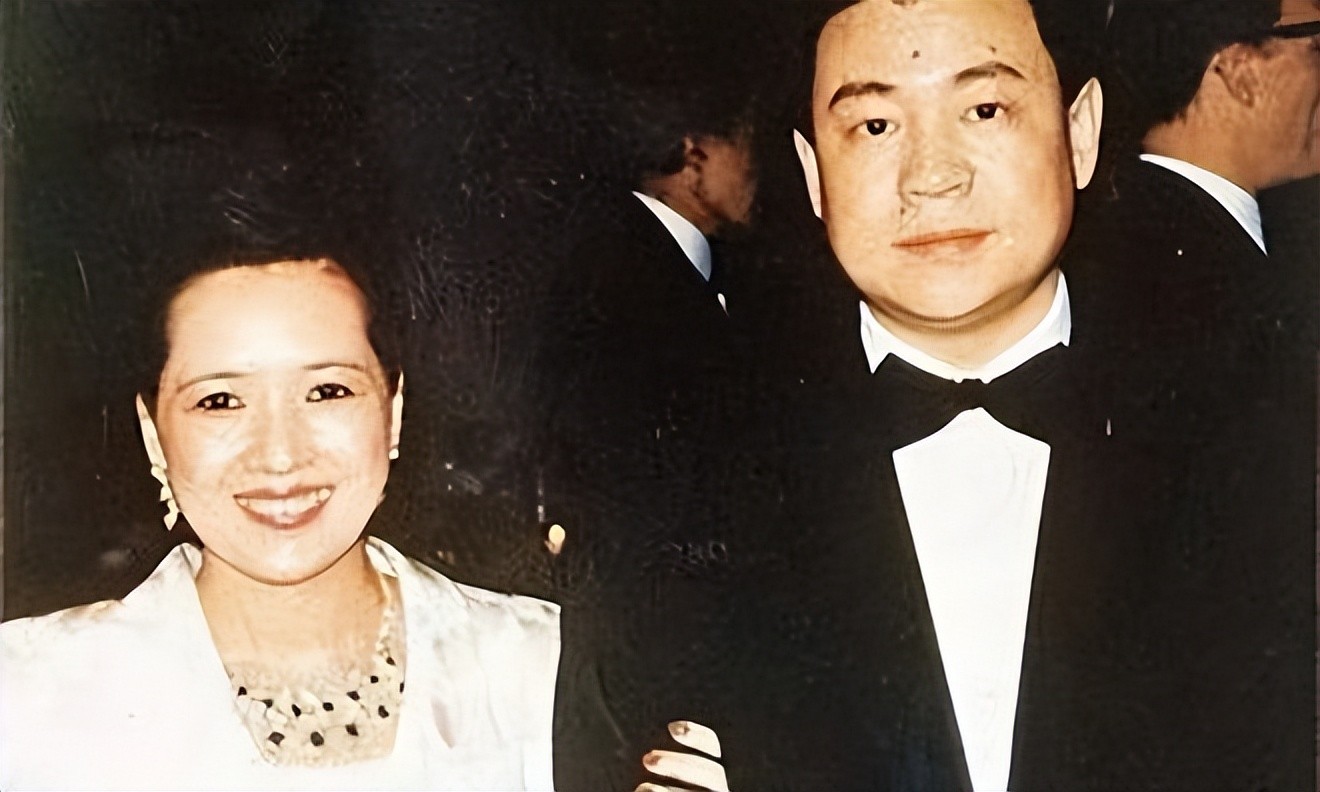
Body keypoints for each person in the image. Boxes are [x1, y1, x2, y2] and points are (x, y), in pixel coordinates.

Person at [0, 254, 562, 790]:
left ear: (392, 414)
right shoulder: (26, 693)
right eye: (220, 401)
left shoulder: (545, 667)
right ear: (153, 433)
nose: (280, 456)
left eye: (327, 391)